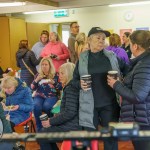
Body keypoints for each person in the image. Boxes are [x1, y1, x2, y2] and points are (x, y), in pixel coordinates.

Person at [73, 27, 128, 150]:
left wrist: (121, 81)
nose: (101, 41)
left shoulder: (112, 56)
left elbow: (126, 70)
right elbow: (74, 80)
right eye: (98, 38)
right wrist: (80, 84)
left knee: (110, 139)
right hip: (89, 106)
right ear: (89, 40)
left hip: (110, 104)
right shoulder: (82, 59)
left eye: (103, 38)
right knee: (90, 140)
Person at [107, 30, 150, 150]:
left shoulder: (145, 64)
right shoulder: (142, 62)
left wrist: (116, 85)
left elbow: (137, 96)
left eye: (130, 44)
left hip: (144, 121)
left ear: (135, 46)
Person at [40, 62, 80, 150]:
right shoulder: (71, 86)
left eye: (62, 73)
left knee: (42, 135)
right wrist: (52, 120)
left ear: (69, 74)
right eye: (59, 73)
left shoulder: (71, 89)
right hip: (72, 124)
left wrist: (51, 122)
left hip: (72, 127)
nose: (59, 76)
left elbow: (69, 113)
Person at [31, 57, 62, 131]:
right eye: (42, 65)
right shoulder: (38, 75)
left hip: (51, 95)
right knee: (36, 106)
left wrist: (54, 83)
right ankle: (39, 127)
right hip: (39, 95)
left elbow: (60, 87)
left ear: (50, 66)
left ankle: (50, 125)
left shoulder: (55, 75)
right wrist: (37, 80)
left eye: (46, 64)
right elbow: (32, 88)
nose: (44, 66)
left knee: (47, 107)